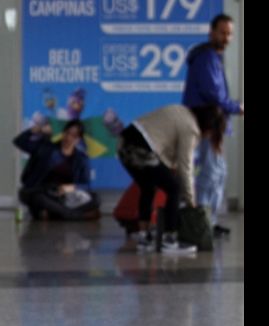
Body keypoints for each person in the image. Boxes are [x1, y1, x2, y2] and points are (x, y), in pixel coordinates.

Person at [117, 104, 226, 254]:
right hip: (140, 149)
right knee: (174, 188)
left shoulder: (181, 110)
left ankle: (144, 237)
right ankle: (170, 241)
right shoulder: (192, 128)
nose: (208, 137)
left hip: (123, 144)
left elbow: (166, 153)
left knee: (148, 186)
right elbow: (185, 167)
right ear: (209, 127)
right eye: (211, 133)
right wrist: (190, 201)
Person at [182, 13, 244, 237]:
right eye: (223, 32)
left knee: (218, 173)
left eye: (230, 34)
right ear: (211, 32)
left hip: (214, 125)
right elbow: (213, 94)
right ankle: (203, 222)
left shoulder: (213, 57)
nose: (227, 38)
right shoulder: (206, 58)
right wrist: (237, 107)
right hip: (207, 124)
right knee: (211, 173)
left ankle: (210, 220)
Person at [14, 118, 100, 221]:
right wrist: (35, 130)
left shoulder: (81, 158)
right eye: (67, 133)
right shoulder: (46, 148)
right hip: (39, 191)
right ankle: (72, 215)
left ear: (78, 140)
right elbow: (19, 141)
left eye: (74, 136)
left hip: (63, 196)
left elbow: (86, 184)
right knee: (39, 198)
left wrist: (71, 187)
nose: (69, 137)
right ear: (63, 133)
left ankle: (52, 213)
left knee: (96, 199)